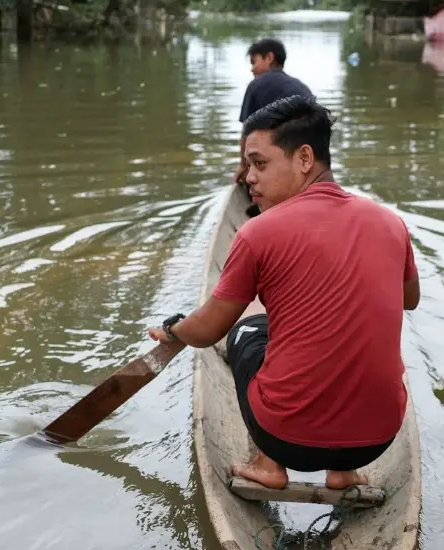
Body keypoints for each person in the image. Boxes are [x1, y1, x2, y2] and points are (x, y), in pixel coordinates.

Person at [148, 95, 420, 491]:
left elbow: (207, 331)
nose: (248, 178)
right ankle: (342, 474)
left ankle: (268, 465)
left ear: (304, 158)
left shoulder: (259, 232)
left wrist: (174, 330)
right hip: (375, 442)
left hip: (287, 440)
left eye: (259, 164)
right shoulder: (390, 223)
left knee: (248, 331)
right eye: (247, 166)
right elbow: (409, 299)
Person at [233, 38, 314, 207]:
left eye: (254, 62)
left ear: (269, 58)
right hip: (307, 162)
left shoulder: (256, 85)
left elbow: (247, 133)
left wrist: (243, 165)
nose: (252, 68)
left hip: (279, 160)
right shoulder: (302, 87)